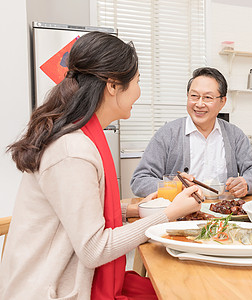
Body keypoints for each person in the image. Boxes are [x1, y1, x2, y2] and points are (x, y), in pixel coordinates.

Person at [0, 32, 202, 299]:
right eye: (137, 82)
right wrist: (167, 214)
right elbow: (94, 248)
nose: (139, 93)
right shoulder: (73, 150)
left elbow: (75, 209)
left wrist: (130, 208)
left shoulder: (80, 137)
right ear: (113, 85)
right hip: (51, 288)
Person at [130, 67, 252, 198]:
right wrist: (174, 186)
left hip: (223, 214)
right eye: (194, 96)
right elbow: (140, 181)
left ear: (222, 101)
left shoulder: (234, 135)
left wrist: (245, 183)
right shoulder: (168, 134)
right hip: (181, 215)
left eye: (208, 97)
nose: (199, 104)